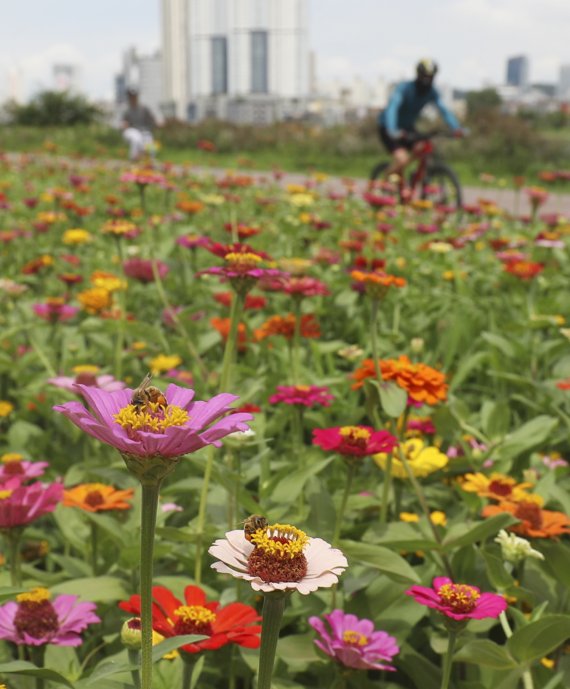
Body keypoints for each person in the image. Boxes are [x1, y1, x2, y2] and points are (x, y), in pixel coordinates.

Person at [378, 59, 463, 183]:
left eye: (430, 77)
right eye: (424, 76)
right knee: (402, 159)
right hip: (388, 128)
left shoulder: (432, 93)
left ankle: (413, 178)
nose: (427, 80)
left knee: (424, 148)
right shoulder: (404, 88)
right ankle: (383, 181)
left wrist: (456, 128)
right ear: (418, 75)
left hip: (407, 128)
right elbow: (392, 108)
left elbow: (444, 110)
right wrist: (392, 129)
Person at [121, 88, 157, 162]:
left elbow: (152, 120)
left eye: (134, 96)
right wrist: (124, 125)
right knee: (136, 138)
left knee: (149, 142)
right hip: (131, 131)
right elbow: (124, 123)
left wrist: (156, 124)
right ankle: (133, 159)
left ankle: (150, 161)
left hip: (144, 131)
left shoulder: (144, 108)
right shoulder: (126, 109)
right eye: (131, 96)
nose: (133, 98)